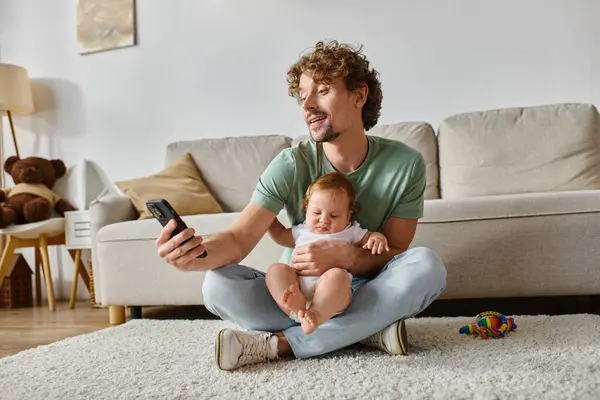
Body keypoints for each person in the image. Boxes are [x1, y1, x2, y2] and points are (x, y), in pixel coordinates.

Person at [155, 40, 447, 371]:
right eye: (303, 94)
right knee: (217, 285)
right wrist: (194, 255)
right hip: (295, 295)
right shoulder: (291, 163)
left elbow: (396, 249)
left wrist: (346, 257)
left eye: (321, 90)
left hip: (367, 290)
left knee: (426, 266)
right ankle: (364, 331)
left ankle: (283, 344)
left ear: (359, 96)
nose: (307, 103)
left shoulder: (405, 163)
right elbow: (238, 239)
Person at [266, 171, 390, 335]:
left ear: (348, 216)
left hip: (331, 296)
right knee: (276, 270)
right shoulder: (302, 230)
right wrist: (268, 218)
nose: (324, 220)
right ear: (306, 210)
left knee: (337, 276)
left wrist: (377, 238)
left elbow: (369, 237)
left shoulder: (350, 231)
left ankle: (315, 315)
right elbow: (280, 235)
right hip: (297, 287)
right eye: (317, 213)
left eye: (334, 215)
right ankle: (298, 310)